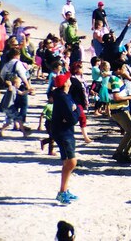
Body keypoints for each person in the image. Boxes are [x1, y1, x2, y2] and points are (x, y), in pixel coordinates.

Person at [51, 72, 81, 204]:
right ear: (65, 84)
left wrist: (74, 110)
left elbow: (68, 117)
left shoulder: (63, 95)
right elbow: (72, 119)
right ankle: (62, 192)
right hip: (63, 132)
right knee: (71, 162)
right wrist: (77, 110)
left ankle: (64, 190)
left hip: (64, 130)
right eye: (68, 79)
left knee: (67, 162)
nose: (70, 80)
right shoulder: (63, 97)